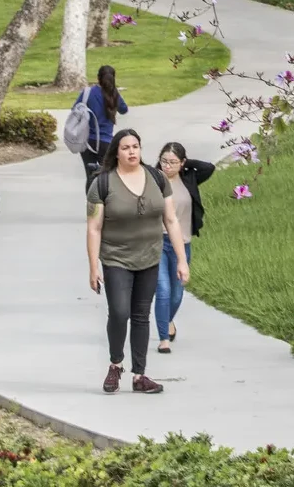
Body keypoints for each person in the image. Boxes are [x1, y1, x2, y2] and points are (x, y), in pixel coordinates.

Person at [86, 129, 187, 394]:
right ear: (116, 153)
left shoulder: (157, 178)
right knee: (120, 312)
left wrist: (180, 260)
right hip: (116, 257)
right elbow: (94, 227)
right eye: (125, 147)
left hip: (149, 257)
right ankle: (116, 364)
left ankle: (139, 375)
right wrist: (93, 266)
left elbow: (171, 220)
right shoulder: (103, 183)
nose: (132, 151)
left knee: (141, 316)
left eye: (136, 146)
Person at [153, 142, 215, 353]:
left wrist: (186, 165)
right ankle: (163, 338)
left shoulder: (189, 177)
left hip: (183, 242)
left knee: (177, 293)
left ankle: (167, 320)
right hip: (157, 241)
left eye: (172, 162)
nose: (167, 166)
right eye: (164, 161)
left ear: (182, 163)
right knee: (163, 290)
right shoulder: (153, 179)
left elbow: (209, 168)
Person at [81, 64, 127, 180]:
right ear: (113, 78)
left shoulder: (88, 93)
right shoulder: (114, 94)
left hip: (87, 141)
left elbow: (75, 109)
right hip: (106, 142)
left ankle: (91, 198)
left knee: (90, 176)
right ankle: (104, 198)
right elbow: (124, 110)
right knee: (107, 177)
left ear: (98, 78)